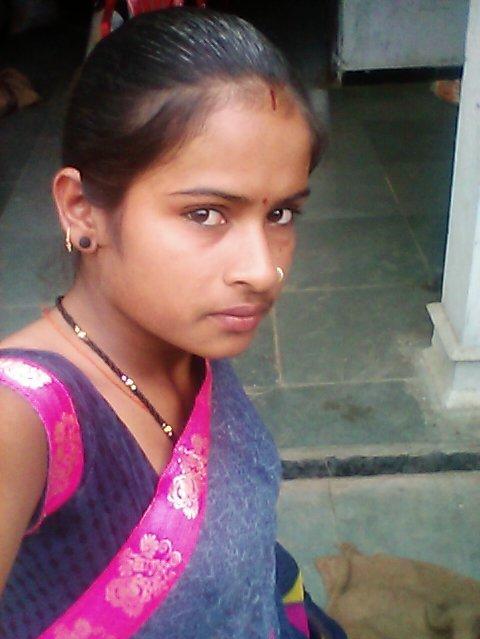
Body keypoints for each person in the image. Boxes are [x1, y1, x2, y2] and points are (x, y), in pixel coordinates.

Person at [0, 8, 346, 638]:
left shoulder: (186, 345)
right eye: (206, 213)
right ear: (82, 210)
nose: (262, 270)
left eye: (281, 214)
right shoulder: (19, 421)